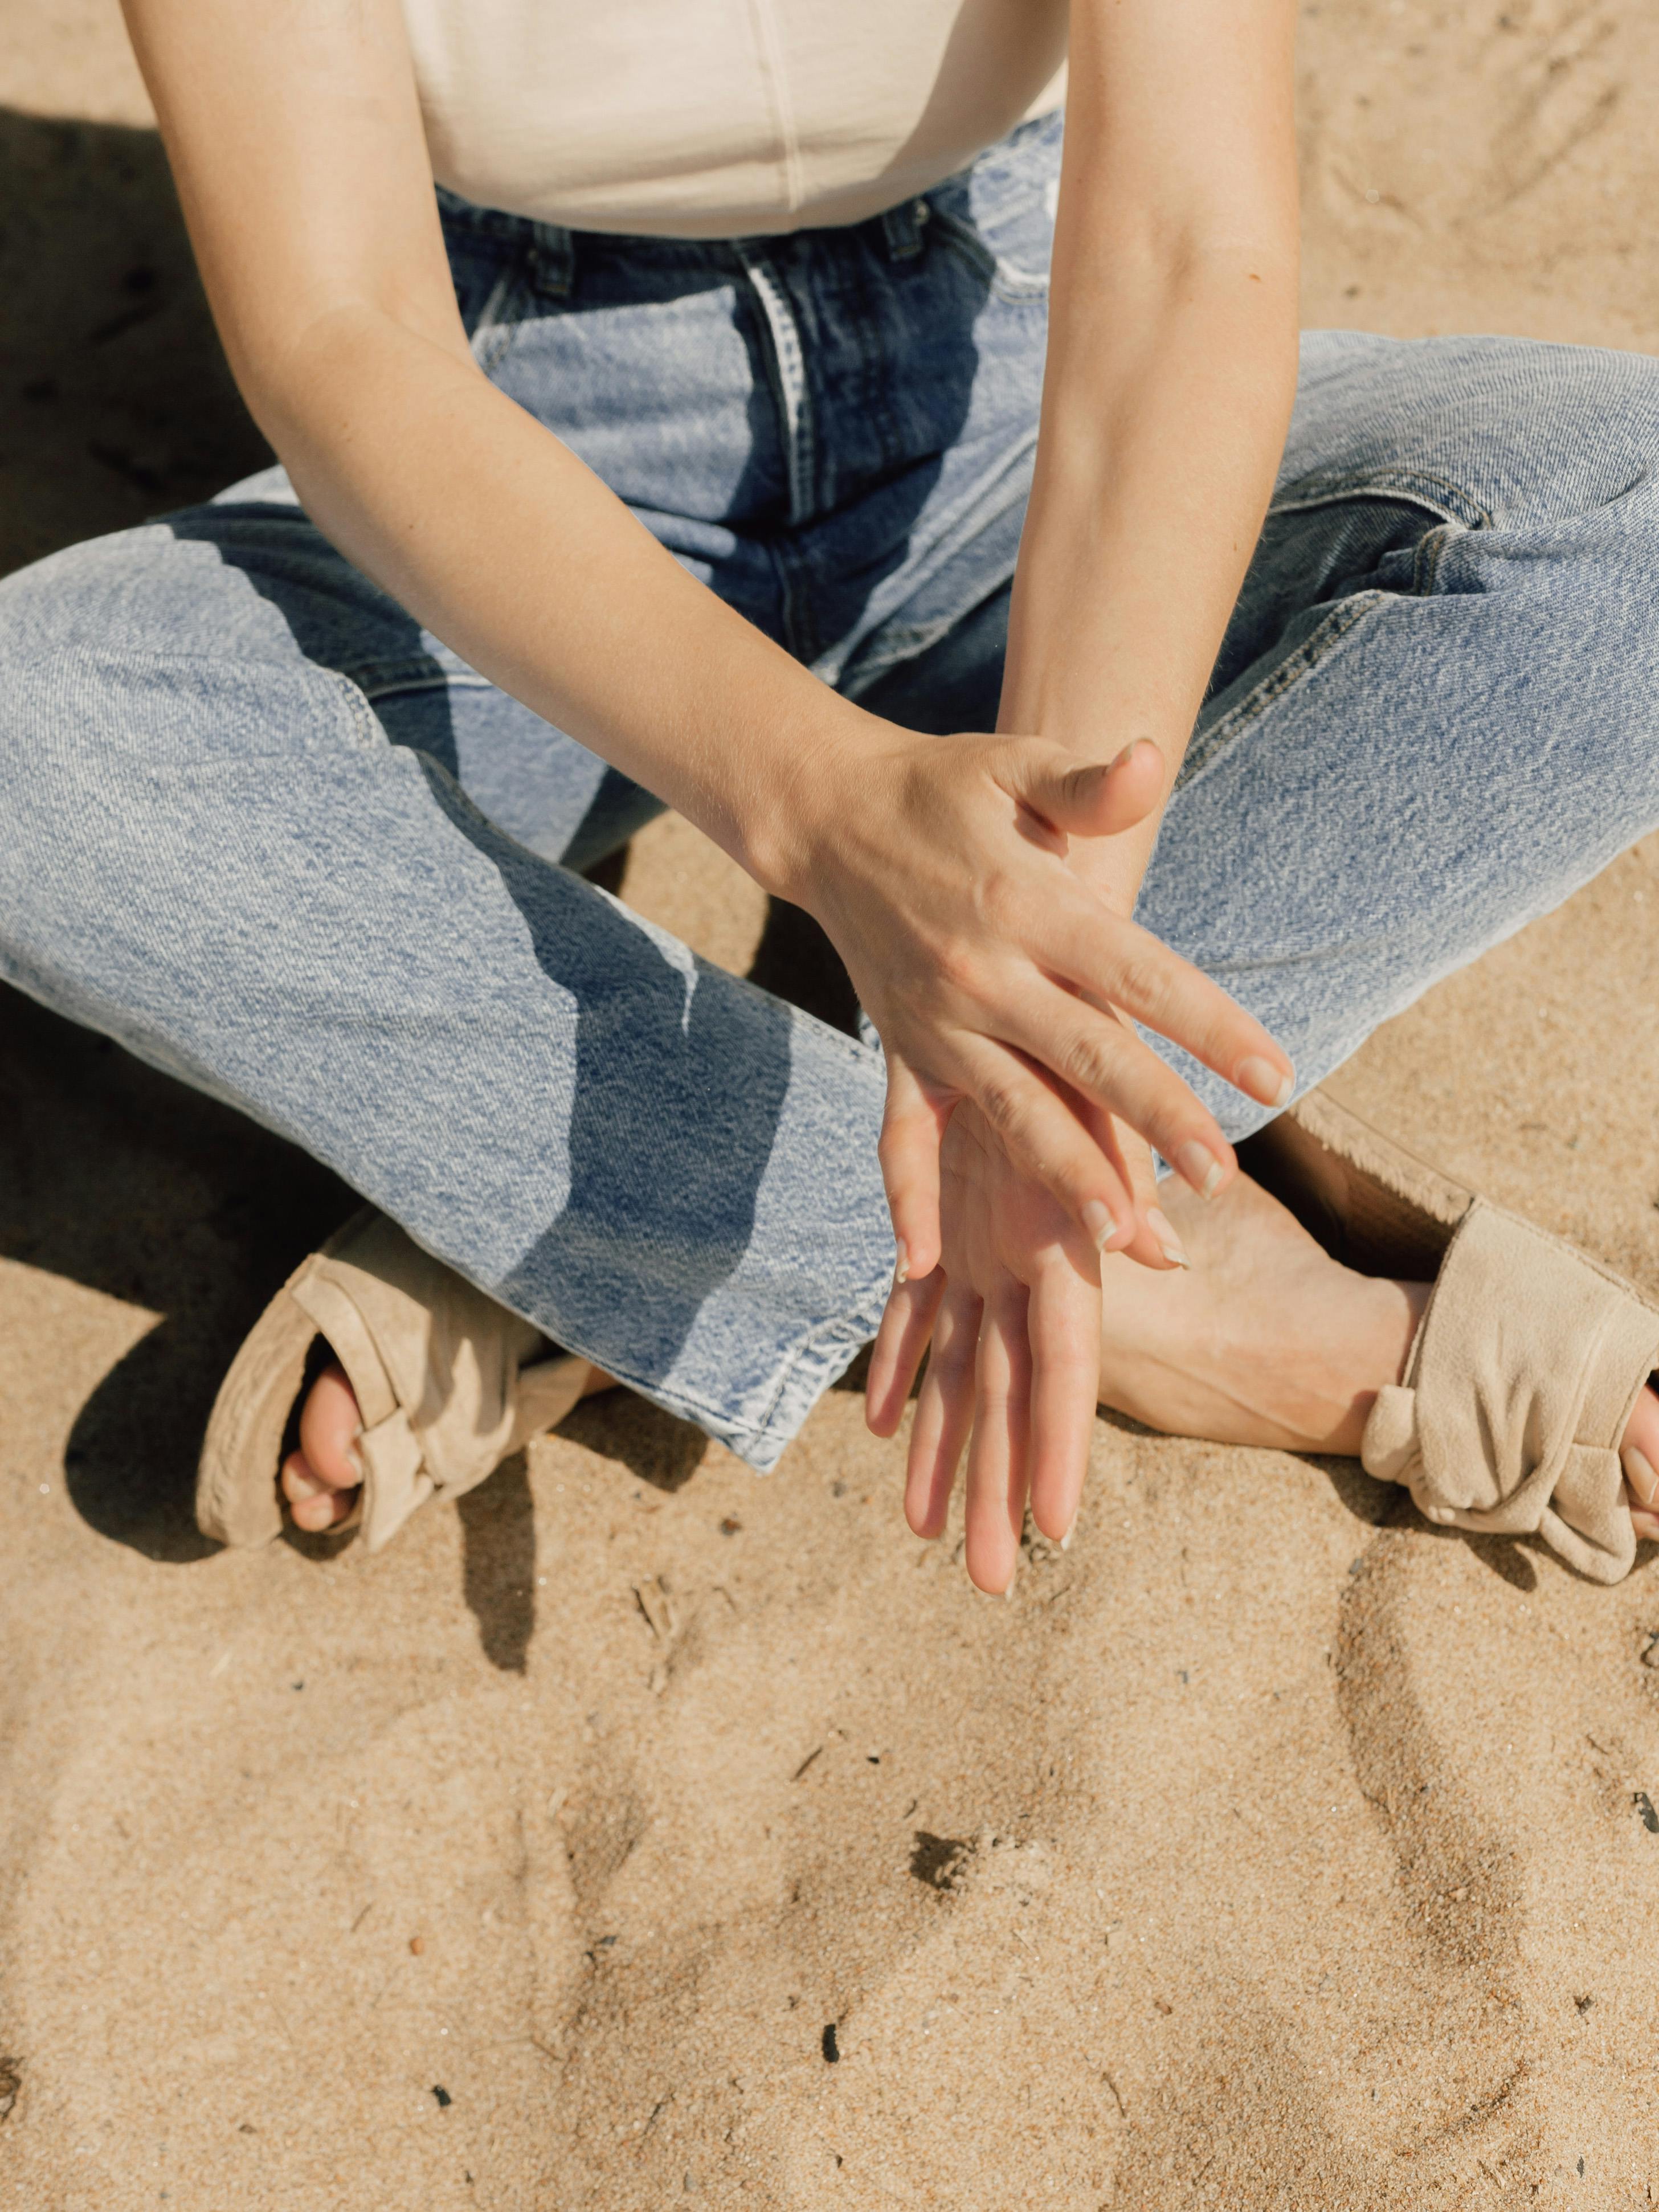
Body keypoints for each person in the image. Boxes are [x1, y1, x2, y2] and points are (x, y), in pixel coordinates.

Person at [2, 0, 1655, 1593]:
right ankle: (1137, 1278)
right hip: (518, 475)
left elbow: (1175, 249)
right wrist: (823, 808)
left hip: (1015, 383)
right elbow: (342, 327)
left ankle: (601, 1196)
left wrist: (1033, 985)